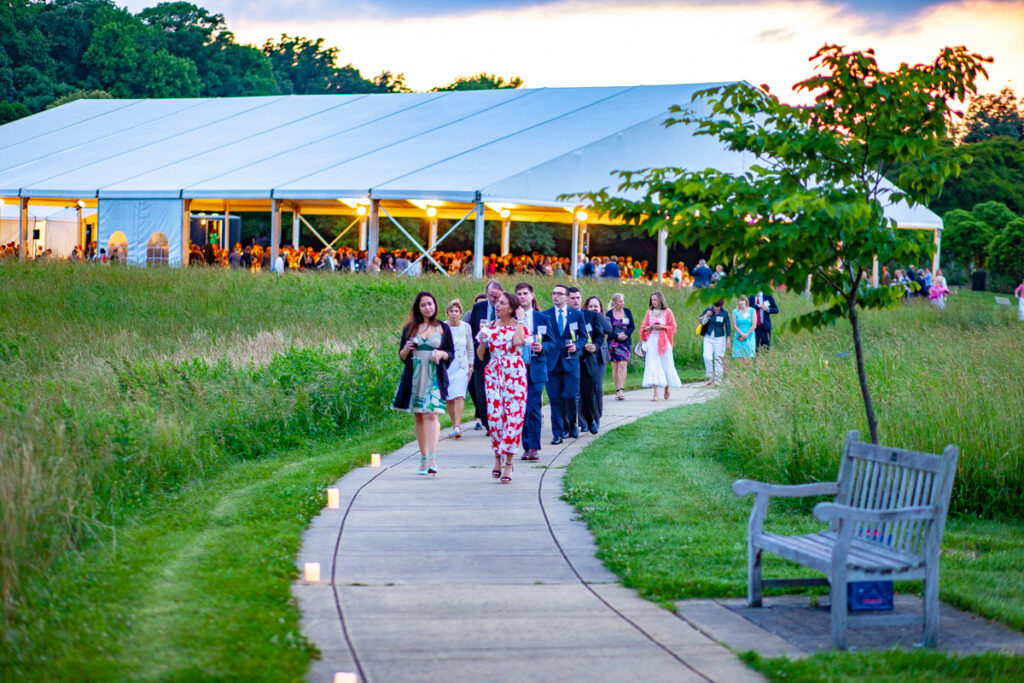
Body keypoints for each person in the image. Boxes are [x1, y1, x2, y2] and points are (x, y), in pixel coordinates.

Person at [393, 292, 455, 476]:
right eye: (424, 305)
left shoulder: (443, 327)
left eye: (430, 304)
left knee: (431, 414)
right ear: (418, 308)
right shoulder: (410, 328)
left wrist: (441, 354)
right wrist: (406, 348)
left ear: (435, 305)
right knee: (419, 416)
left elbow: (450, 353)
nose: (428, 307)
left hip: (434, 375)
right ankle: (423, 457)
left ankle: (433, 458)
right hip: (415, 375)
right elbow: (402, 357)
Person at [476, 291, 529, 483]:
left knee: (513, 417)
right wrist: (483, 338)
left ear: (512, 308)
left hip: (514, 373)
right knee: (496, 417)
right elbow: (481, 355)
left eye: (502, 303)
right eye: (497, 303)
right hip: (494, 373)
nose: (497, 306)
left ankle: (509, 463)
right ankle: (497, 457)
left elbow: (517, 343)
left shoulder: (519, 326)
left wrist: (521, 320)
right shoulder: (489, 325)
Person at [515, 282, 554, 461]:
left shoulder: (542, 318)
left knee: (533, 407)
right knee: (521, 408)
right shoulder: (512, 319)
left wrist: (542, 347)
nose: (522, 297)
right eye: (519, 294)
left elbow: (552, 343)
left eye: (525, 293)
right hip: (517, 369)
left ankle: (533, 447)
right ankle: (525, 445)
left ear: (532, 295)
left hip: (536, 368)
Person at [543, 284, 585, 444]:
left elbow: (583, 336)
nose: (555, 296)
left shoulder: (576, 315)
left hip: (570, 361)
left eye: (559, 293)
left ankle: (571, 423)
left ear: (566, 297)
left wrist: (577, 346)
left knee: (569, 396)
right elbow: (543, 337)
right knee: (554, 398)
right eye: (553, 293)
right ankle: (558, 433)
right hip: (552, 363)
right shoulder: (545, 315)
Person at [468, 281, 504, 433]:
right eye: (491, 295)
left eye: (496, 296)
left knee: (497, 389)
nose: (494, 299)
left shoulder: (506, 307)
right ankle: (486, 421)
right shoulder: (478, 308)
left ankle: (496, 422)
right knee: (480, 390)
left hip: (498, 354)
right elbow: (471, 331)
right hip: (481, 354)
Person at [639, 291, 681, 401]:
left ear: (660, 300)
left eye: (655, 300)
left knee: (665, 365)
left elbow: (673, 327)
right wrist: (647, 329)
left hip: (664, 342)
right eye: (652, 300)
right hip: (652, 341)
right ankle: (655, 393)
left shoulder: (667, 312)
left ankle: (667, 388)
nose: (653, 302)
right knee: (653, 365)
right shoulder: (649, 313)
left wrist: (662, 327)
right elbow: (643, 326)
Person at [580, 295, 611, 433]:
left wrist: (597, 315)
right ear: (586, 307)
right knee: (583, 390)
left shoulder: (604, 319)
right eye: (590, 306)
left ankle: (596, 417)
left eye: (596, 306)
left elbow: (608, 329)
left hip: (599, 358)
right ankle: (584, 421)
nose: (593, 309)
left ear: (600, 308)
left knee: (597, 388)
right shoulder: (582, 319)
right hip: (585, 356)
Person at [444, 299, 474, 438]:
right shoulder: (443, 327)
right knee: (449, 397)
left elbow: (469, 346)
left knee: (459, 395)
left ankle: (457, 425)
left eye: (456, 311)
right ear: (448, 313)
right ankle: (453, 423)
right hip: (447, 365)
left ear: (460, 313)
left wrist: (471, 365)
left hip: (462, 365)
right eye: (451, 311)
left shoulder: (466, 327)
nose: (454, 314)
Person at [606, 293, 635, 401]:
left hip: (625, 342)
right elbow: (607, 330)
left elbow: (632, 326)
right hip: (613, 342)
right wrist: (617, 336)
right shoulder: (609, 314)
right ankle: (617, 389)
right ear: (614, 302)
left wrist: (626, 334)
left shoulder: (627, 312)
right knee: (615, 366)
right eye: (620, 301)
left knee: (623, 364)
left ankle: (622, 389)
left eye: (623, 301)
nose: (622, 303)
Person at [699, 299, 731, 385]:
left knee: (718, 358)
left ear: (721, 306)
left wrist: (728, 339)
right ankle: (710, 376)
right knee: (707, 356)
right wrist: (706, 315)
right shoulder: (708, 310)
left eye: (718, 307)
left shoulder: (725, 313)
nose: (716, 308)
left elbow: (727, 326)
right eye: (715, 306)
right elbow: (700, 321)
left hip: (720, 338)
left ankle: (718, 379)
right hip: (708, 337)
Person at [731, 296, 757, 361]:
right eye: (739, 301)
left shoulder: (752, 311)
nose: (740, 302)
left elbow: (754, 325)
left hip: (749, 336)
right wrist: (741, 334)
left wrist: (747, 334)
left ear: (746, 301)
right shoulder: (735, 312)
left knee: (748, 358)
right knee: (739, 358)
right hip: (739, 336)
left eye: (742, 300)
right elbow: (734, 325)